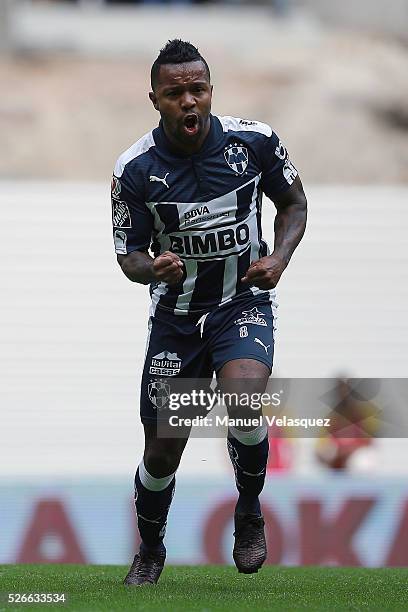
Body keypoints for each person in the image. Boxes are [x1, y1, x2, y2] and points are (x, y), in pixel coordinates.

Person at [111, 39, 307, 585]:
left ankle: (248, 510)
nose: (189, 102)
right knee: (162, 455)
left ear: (211, 92)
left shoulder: (256, 143)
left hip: (241, 301)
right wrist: (153, 268)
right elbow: (127, 254)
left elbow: (293, 203)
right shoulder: (134, 170)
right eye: (176, 94)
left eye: (197, 90)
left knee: (245, 401)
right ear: (155, 99)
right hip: (177, 319)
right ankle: (151, 549)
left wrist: (279, 256)